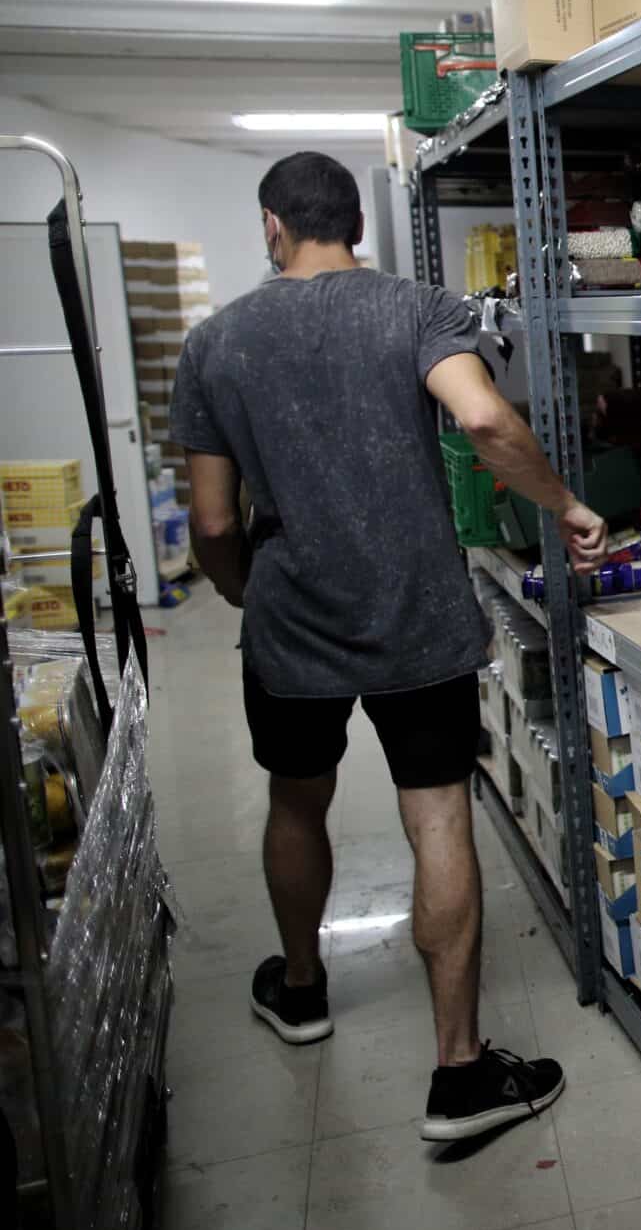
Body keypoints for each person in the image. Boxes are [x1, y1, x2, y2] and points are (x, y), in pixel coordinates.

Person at [171, 151, 608, 1142]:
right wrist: (565, 505)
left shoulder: (216, 342)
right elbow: (486, 417)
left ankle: (300, 987)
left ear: (272, 228)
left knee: (296, 795)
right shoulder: (418, 310)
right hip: (416, 608)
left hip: (291, 616)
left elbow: (208, 523)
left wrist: (253, 596)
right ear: (352, 227)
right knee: (438, 817)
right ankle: (458, 1074)